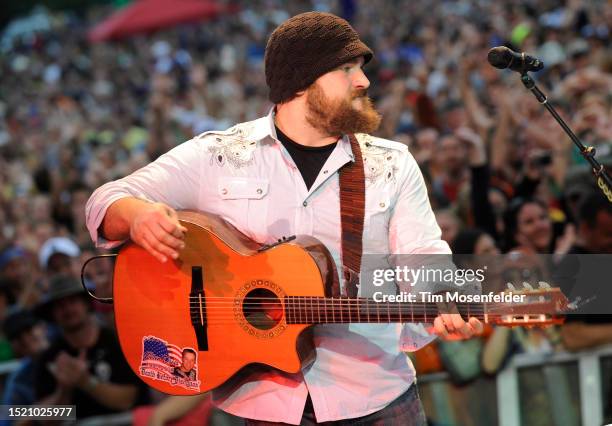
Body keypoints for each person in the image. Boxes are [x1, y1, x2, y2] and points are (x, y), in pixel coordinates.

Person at [86, 12, 482, 425]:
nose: (363, 82)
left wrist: (444, 299)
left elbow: (423, 253)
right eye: (347, 69)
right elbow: (105, 200)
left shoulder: (391, 164)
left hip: (376, 396)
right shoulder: (219, 155)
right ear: (301, 82)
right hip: (260, 404)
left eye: (361, 70)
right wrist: (137, 217)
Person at [32, 274, 149, 419]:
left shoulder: (117, 342)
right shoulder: (50, 357)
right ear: (52, 314)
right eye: (60, 305)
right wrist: (64, 390)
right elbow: (46, 420)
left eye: (73, 301)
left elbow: (127, 400)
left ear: (86, 304)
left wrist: (85, 381)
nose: (67, 309)